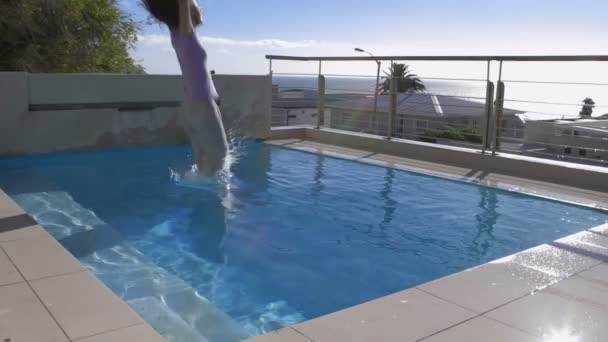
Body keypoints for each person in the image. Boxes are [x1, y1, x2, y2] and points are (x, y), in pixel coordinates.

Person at [142, 0, 228, 177]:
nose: (199, 7)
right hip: (202, 104)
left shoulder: (178, 35)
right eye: (195, 4)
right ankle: (225, 204)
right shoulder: (185, 35)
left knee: (204, 162)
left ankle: (203, 199)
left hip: (193, 104)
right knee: (219, 158)